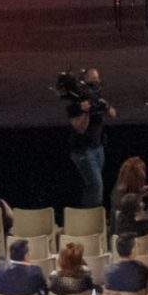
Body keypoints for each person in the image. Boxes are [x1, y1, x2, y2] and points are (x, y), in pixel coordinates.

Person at [63, 67, 112, 209]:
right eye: (93, 81)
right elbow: (80, 128)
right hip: (82, 150)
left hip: (97, 148)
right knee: (96, 185)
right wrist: (85, 112)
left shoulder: (97, 99)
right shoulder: (75, 105)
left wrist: (106, 106)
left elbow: (113, 114)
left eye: (97, 80)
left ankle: (88, 214)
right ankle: (91, 217)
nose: (96, 83)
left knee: (93, 184)